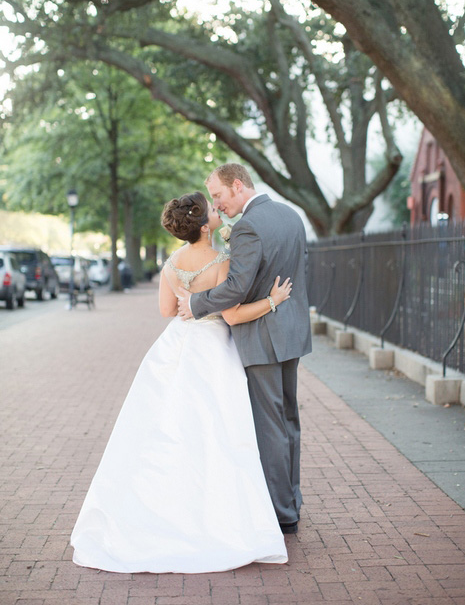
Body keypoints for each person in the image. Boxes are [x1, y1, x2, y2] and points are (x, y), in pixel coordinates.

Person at [71, 191, 292, 574]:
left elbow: (164, 310)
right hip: (213, 350)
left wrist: (187, 301)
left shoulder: (172, 263)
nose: (217, 209)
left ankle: (161, 510)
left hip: (176, 345)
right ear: (204, 226)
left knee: (166, 428)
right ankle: (217, 517)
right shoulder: (222, 260)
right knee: (219, 432)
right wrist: (273, 300)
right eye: (211, 210)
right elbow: (234, 316)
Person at [178, 164, 312, 535]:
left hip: (263, 335)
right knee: (288, 421)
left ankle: (281, 513)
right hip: (291, 331)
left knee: (270, 426)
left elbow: (236, 288)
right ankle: (292, 498)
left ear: (238, 186)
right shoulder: (290, 214)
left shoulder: (249, 227)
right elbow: (299, 269)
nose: (216, 206)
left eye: (218, 196)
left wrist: (195, 303)